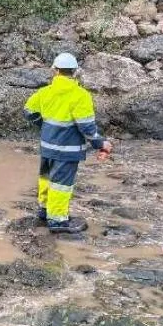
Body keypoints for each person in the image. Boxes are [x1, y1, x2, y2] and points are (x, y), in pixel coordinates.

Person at [23, 53, 113, 234]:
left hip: (47, 147)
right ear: (75, 72)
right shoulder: (80, 95)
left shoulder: (44, 92)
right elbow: (86, 127)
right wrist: (101, 143)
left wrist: (44, 126)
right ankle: (57, 220)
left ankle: (45, 211)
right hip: (67, 150)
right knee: (61, 185)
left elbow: (28, 111)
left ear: (55, 71)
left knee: (46, 179)